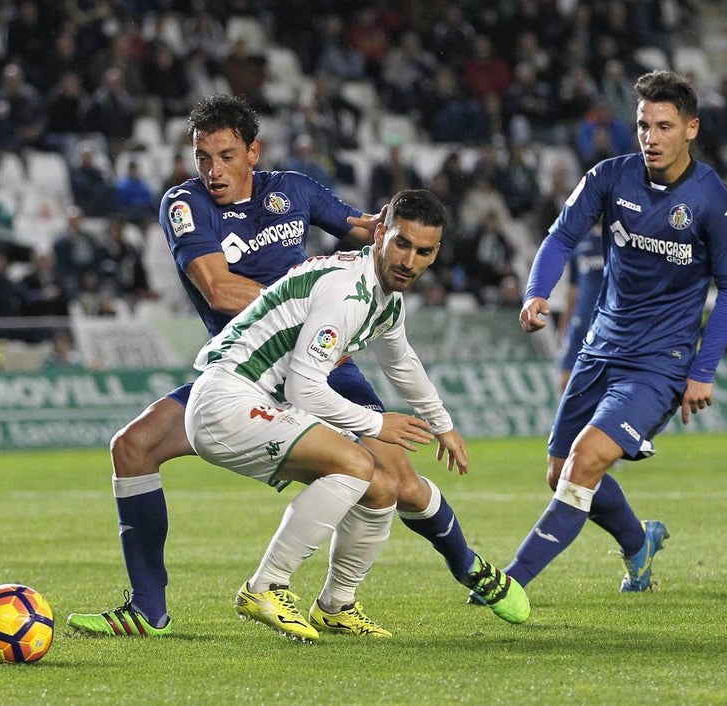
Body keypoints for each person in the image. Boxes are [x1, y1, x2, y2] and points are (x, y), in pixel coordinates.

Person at [67, 94, 527, 639]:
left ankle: (470, 568)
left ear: (253, 152)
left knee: (397, 482)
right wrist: (313, 305)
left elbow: (370, 229)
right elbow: (217, 288)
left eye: (227, 155)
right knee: (132, 447)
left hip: (321, 361)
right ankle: (150, 609)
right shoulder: (185, 205)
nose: (214, 170)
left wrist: (405, 241)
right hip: (253, 366)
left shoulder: (295, 191)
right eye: (203, 157)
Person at [184, 189, 505, 640]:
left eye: (423, 251)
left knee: (381, 487)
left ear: (436, 254)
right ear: (379, 235)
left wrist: (443, 425)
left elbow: (401, 362)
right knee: (357, 464)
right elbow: (303, 387)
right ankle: (266, 586)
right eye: (401, 243)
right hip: (228, 399)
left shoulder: (384, 298)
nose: (409, 261)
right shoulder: (345, 292)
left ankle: (336, 604)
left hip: (250, 402)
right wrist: (378, 423)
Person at [507, 70, 727, 597]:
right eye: (643, 125)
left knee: (586, 459)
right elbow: (561, 236)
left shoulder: (713, 201)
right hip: (601, 348)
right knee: (559, 473)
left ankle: (511, 581)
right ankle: (638, 543)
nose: (651, 138)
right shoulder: (610, 178)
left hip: (660, 363)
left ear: (691, 129)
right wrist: (536, 292)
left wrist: (702, 371)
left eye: (664, 126)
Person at [556, 222, 604, 391]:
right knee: (565, 382)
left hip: (609, 324)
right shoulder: (579, 244)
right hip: (581, 320)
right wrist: (563, 326)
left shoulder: (621, 240)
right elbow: (572, 290)